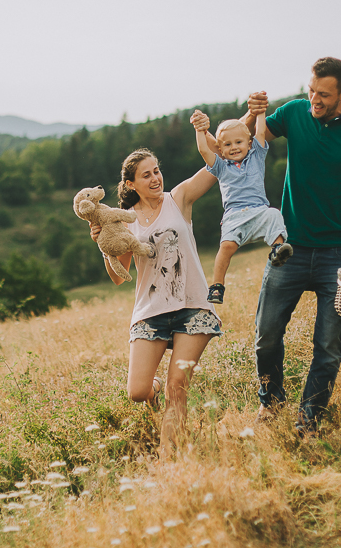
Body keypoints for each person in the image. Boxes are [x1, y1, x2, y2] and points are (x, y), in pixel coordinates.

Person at [192, 57, 341, 438]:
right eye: (311, 90)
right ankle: (270, 400)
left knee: (327, 343)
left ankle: (309, 418)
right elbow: (238, 141)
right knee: (266, 334)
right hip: (288, 246)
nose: (314, 100)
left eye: (323, 95)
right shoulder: (294, 113)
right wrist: (252, 111)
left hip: (339, 250)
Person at [89, 147, 221, 457]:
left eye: (157, 171)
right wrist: (104, 247)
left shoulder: (179, 199)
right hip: (151, 311)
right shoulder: (124, 223)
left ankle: (169, 459)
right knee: (137, 392)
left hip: (192, 307)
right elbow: (119, 277)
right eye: (146, 175)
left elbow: (216, 165)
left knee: (179, 386)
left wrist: (243, 124)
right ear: (131, 184)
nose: (155, 178)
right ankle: (155, 388)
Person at [192, 101, 293, 305]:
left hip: (258, 211)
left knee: (274, 214)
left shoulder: (257, 155)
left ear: (249, 143)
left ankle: (277, 249)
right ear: (220, 149)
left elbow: (261, 133)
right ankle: (217, 286)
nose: (234, 148)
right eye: (227, 145)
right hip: (234, 216)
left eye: (239, 142)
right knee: (226, 248)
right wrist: (199, 130)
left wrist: (261, 113)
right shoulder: (220, 166)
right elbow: (204, 150)